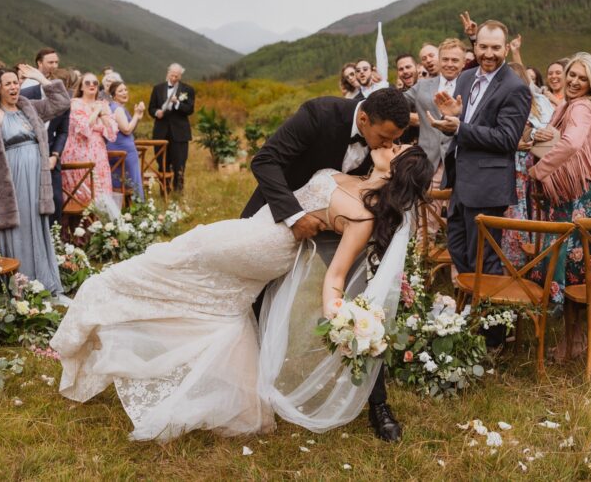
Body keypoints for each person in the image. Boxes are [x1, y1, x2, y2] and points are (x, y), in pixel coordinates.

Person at [52, 142, 433, 441]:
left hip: (264, 244)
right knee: (217, 308)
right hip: (255, 230)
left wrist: (342, 318)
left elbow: (335, 276)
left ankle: (99, 304)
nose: (391, 145)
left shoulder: (363, 218)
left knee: (164, 266)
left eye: (399, 150)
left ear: (399, 171)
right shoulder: (349, 174)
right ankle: (238, 403)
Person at [242, 88, 410, 440]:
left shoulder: (390, 136)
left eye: (395, 140)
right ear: (363, 119)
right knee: (249, 297)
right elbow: (264, 160)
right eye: (383, 138)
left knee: (363, 305)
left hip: (342, 226)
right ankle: (249, 389)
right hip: (280, 215)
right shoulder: (318, 114)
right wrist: (293, 216)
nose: (386, 146)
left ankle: (377, 404)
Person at [431, 20, 531, 349]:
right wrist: (450, 123)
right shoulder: (465, 77)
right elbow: (462, 124)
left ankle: (494, 338)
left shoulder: (515, 88)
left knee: (486, 261)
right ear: (475, 47)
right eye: (483, 47)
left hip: (488, 184)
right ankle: (478, 315)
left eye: (495, 48)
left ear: (505, 49)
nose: (488, 54)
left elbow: (506, 139)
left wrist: (459, 127)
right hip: (460, 179)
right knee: (458, 250)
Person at [0, 65, 70, 293]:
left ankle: (42, 281)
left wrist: (40, 78)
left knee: (36, 223)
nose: (14, 87)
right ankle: (17, 285)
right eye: (8, 83)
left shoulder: (29, 107)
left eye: (16, 82)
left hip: (36, 178)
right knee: (16, 224)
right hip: (11, 179)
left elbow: (61, 103)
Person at [528, 53, 591, 360]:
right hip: (567, 197)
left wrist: (540, 169)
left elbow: (573, 144)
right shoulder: (565, 106)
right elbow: (558, 137)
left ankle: (577, 341)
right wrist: (544, 134)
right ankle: (574, 340)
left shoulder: (582, 107)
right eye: (571, 75)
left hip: (576, 198)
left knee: (575, 270)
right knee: (572, 268)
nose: (574, 81)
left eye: (581, 78)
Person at [405, 39, 465, 240]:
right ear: (439, 60)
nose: (449, 64)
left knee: (459, 226)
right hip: (429, 163)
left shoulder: (471, 86)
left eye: (455, 60)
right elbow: (397, 101)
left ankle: (457, 270)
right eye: (445, 59)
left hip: (461, 163)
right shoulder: (422, 86)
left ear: (464, 62)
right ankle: (422, 267)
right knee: (425, 224)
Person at [499, 63, 553, 268]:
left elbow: (550, 128)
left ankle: (537, 264)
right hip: (511, 164)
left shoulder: (539, 101)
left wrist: (535, 134)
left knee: (536, 211)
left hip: (536, 164)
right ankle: (514, 264)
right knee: (514, 212)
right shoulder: (499, 101)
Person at [21, 48, 69, 223]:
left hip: (51, 155)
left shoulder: (65, 98)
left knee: (56, 200)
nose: (54, 66)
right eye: (50, 62)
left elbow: (63, 131)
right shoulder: (26, 93)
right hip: (29, 154)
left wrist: (55, 155)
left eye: (57, 62)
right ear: (39, 64)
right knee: (31, 201)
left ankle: (53, 240)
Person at [63, 72, 119, 211]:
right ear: (81, 87)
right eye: (87, 83)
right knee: (81, 192)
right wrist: (95, 112)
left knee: (100, 188)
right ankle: (80, 228)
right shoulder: (75, 103)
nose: (92, 85)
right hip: (79, 152)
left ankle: (102, 227)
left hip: (99, 153)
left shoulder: (103, 104)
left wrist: (103, 113)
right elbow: (84, 127)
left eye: (95, 82)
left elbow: (112, 131)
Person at [147, 63, 195, 192]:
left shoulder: (187, 89)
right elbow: (151, 108)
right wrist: (157, 113)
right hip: (161, 132)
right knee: (162, 163)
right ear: (168, 73)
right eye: (172, 75)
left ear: (180, 76)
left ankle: (178, 192)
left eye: (177, 76)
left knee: (180, 164)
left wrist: (177, 103)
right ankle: (164, 191)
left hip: (180, 133)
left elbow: (190, 109)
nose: (174, 78)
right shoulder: (157, 88)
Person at [106, 80, 145, 200]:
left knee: (119, 181)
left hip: (116, 149)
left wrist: (137, 117)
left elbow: (130, 129)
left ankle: (123, 208)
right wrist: (136, 114)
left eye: (125, 90)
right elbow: (127, 130)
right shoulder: (118, 109)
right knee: (134, 181)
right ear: (113, 95)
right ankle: (139, 209)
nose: (124, 93)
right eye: (120, 91)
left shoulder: (113, 107)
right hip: (125, 151)